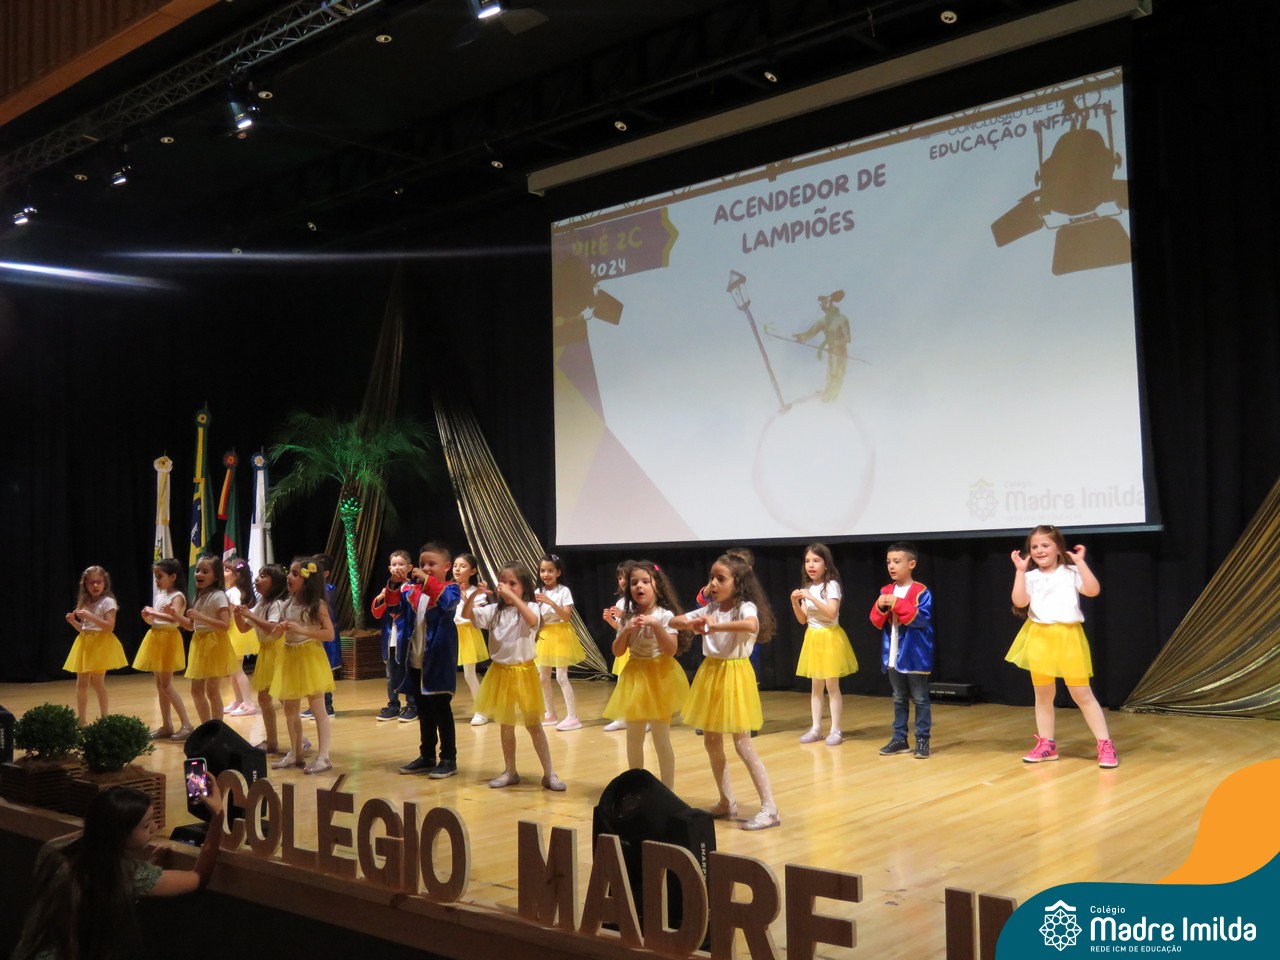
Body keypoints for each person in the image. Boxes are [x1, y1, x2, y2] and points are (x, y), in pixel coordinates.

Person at [11, 778, 226, 960]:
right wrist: (217, 817)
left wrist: (150, 866)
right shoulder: (125, 873)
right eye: (146, 825)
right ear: (120, 833)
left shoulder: (54, 849)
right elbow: (199, 877)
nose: (155, 827)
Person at [672, 554, 780, 831]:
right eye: (712, 578)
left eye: (721, 578)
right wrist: (691, 623)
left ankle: (769, 809)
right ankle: (726, 800)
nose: (713, 583)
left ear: (738, 582)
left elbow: (751, 625)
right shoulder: (710, 608)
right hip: (711, 673)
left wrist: (713, 625)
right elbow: (674, 621)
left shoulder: (745, 607)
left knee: (743, 745)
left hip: (734, 675)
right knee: (711, 742)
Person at [1007, 525, 1118, 768]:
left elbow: (1093, 590)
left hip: (1068, 636)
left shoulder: (1070, 572)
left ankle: (1105, 744)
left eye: (1045, 545)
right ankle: (1047, 744)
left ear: (1058, 548)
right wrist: (1020, 571)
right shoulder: (1030, 576)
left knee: (1082, 693)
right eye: (1034, 547)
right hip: (1039, 636)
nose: (1039, 550)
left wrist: (1080, 563)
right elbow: (1020, 601)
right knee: (1043, 695)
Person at [463, 562, 567, 791]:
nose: (507, 588)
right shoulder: (494, 611)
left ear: (524, 587)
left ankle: (549, 773)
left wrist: (512, 596)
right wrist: (473, 596)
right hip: (500, 673)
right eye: (504, 583)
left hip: (524, 673)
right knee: (506, 724)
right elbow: (467, 615)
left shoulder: (531, 607)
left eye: (513, 584)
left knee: (534, 725)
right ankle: (510, 771)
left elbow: (532, 620)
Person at [603, 560, 690, 788]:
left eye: (645, 582)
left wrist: (656, 626)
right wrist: (625, 630)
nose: (639, 586)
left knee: (661, 738)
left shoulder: (665, 615)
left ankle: (668, 790)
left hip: (660, 677)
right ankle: (636, 787)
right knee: (634, 737)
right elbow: (618, 650)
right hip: (635, 677)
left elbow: (671, 649)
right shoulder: (628, 616)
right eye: (634, 583)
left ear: (657, 587)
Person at [397, 542, 461, 778]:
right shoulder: (414, 590)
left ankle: (449, 758)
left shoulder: (452, 589)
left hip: (438, 660)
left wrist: (426, 581)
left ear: (446, 567)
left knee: (442, 710)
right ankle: (427, 755)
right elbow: (394, 609)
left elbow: (447, 602)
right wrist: (396, 584)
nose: (425, 568)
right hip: (416, 658)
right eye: (422, 564)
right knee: (423, 710)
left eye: (432, 564)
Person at [270, 557, 336, 774]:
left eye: (295, 574)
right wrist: (279, 629)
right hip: (289, 656)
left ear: (308, 580)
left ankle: (324, 756)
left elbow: (329, 634)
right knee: (290, 708)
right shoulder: (287, 604)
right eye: (290, 572)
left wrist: (302, 630)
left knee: (317, 707)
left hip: (309, 656)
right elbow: (278, 633)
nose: (289, 577)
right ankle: (295, 752)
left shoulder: (317, 605)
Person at [870, 542, 935, 759]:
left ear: (911, 564)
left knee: (920, 698)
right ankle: (899, 738)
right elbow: (876, 621)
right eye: (889, 562)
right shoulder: (886, 590)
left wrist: (897, 603)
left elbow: (921, 619)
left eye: (897, 562)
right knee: (898, 697)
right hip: (892, 652)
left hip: (915, 653)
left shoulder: (921, 592)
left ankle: (922, 739)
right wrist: (880, 606)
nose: (891, 566)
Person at [791, 542, 858, 746]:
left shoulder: (831, 585)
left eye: (816, 561)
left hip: (830, 637)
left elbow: (831, 613)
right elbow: (803, 620)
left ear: (826, 564)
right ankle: (816, 728)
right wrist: (795, 602)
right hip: (813, 638)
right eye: (807, 561)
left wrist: (811, 597)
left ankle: (835, 729)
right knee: (816, 686)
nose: (811, 565)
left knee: (831, 685)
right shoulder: (808, 587)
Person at [167, 554, 237, 724]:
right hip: (199, 643)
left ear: (216, 576)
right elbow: (191, 626)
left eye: (205, 571)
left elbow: (225, 625)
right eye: (198, 570)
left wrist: (201, 617)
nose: (199, 574)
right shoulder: (199, 596)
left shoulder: (219, 596)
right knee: (196, 691)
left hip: (214, 644)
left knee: (212, 690)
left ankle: (218, 728)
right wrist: (175, 615)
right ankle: (206, 726)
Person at [134, 557, 194, 740]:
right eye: (156, 577)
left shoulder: (178, 596)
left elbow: (175, 619)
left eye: (160, 576)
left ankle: (187, 724)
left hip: (168, 639)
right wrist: (148, 617)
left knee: (167, 685)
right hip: (156, 637)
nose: (157, 580)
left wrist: (154, 613)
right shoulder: (160, 596)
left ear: (173, 576)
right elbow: (157, 619)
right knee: (160, 686)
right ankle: (167, 725)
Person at [233, 563, 290, 753]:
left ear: (275, 583)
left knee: (285, 699)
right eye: (258, 575)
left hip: (277, 651)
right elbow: (243, 628)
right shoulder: (262, 603)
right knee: (264, 698)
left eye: (263, 576)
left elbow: (272, 628)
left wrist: (250, 614)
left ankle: (300, 739)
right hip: (266, 652)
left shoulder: (277, 604)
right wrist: (238, 615)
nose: (257, 579)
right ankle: (272, 741)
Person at [62, 565, 128, 725]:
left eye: (99, 582)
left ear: (105, 582)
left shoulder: (108, 602)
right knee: (81, 684)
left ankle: (104, 718)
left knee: (98, 683)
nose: (95, 585)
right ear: (85, 585)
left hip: (100, 645)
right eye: (91, 582)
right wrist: (73, 622)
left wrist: (90, 616)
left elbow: (109, 627)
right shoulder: (85, 602)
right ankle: (81, 721)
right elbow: (84, 629)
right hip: (85, 644)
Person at [534, 553, 584, 730]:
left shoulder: (564, 591)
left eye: (550, 571)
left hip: (561, 634)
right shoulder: (537, 592)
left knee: (561, 677)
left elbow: (566, 616)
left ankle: (573, 716)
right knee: (543, 677)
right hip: (545, 634)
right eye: (542, 571)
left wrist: (551, 603)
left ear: (558, 572)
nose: (546, 574)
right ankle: (550, 713)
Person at [371, 549, 416, 723]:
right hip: (390, 638)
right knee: (391, 675)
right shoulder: (387, 589)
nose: (397, 567)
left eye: (401, 564)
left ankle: (412, 705)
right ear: (390, 568)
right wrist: (381, 597)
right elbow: (377, 613)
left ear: (409, 567)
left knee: (408, 671)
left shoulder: (412, 588)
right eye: (394, 565)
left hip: (407, 637)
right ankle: (393, 705)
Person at [301, 553, 340, 721]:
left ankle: (327, 706)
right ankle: (316, 705)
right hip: (315, 636)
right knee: (314, 671)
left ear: (325, 573)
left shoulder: (328, 589)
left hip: (326, 637)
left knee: (324, 670)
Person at [452, 552, 491, 725]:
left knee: (469, 674)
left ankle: (482, 711)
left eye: (463, 566)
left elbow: (479, 613)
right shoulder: (449, 588)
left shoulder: (477, 592)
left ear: (473, 571)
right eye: (455, 566)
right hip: (450, 632)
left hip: (467, 632)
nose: (457, 569)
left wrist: (467, 598)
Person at [793, 289, 851, 403]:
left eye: (824, 303)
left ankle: (832, 397)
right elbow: (811, 332)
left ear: (830, 303)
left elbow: (847, 338)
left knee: (837, 374)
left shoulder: (842, 319)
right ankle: (827, 392)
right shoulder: (823, 321)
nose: (822, 306)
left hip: (840, 352)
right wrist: (802, 337)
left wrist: (835, 343)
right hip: (831, 351)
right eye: (821, 304)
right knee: (830, 373)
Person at [601, 559, 636, 733]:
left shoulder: (639, 601)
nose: (622, 581)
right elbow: (621, 629)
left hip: (636, 649)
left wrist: (624, 615)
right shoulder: (621, 601)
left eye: (625, 577)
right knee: (622, 683)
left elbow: (637, 624)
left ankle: (643, 718)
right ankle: (622, 718)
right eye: (620, 577)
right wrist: (610, 620)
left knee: (637, 685)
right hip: (624, 648)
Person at [222, 557, 259, 716]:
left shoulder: (233, 593)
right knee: (233, 669)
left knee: (237, 670)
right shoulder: (234, 592)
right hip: (233, 631)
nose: (223, 573)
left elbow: (234, 613)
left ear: (236, 575)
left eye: (226, 570)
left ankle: (248, 703)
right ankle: (239, 700)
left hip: (236, 632)